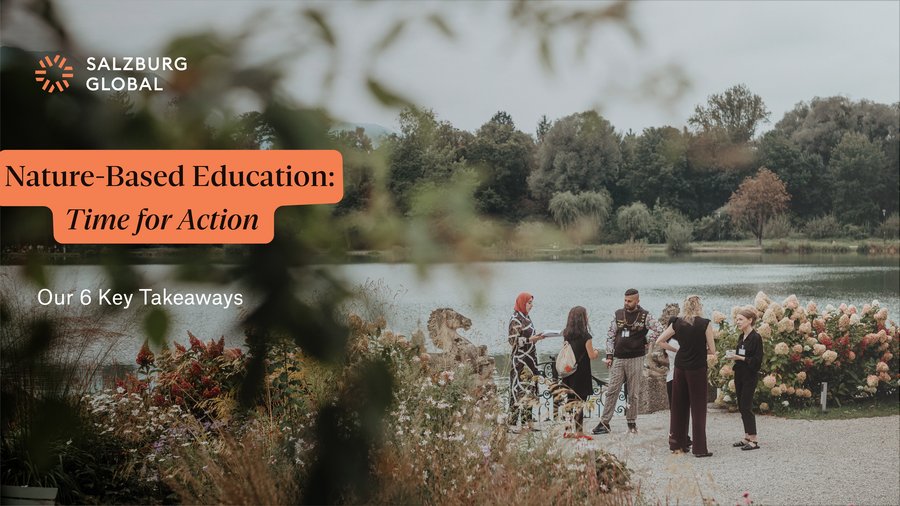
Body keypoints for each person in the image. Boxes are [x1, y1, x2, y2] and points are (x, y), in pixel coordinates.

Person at [593, 288, 664, 435]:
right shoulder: (618, 314)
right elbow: (610, 335)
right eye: (625, 300)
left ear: (637, 301)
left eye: (630, 301)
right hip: (618, 358)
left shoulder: (645, 316)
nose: (626, 303)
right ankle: (604, 423)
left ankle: (631, 422)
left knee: (633, 393)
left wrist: (648, 341)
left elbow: (659, 329)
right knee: (612, 390)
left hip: (636, 358)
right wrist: (609, 356)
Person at [656, 295, 716, 457]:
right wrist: (701, 350)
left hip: (680, 368)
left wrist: (678, 350)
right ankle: (699, 449)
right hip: (697, 368)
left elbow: (660, 341)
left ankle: (677, 444)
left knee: (678, 406)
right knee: (698, 408)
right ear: (699, 306)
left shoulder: (677, 322)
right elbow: (712, 350)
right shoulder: (705, 324)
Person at [560, 306, 600, 439]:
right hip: (581, 372)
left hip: (569, 371)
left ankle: (567, 430)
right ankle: (580, 432)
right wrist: (596, 353)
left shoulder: (566, 333)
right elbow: (591, 355)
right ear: (583, 318)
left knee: (569, 401)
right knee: (580, 402)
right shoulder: (586, 336)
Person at [726, 307, 764, 451]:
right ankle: (747, 436)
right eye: (737, 319)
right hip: (739, 375)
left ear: (750, 320)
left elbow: (757, 361)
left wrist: (739, 357)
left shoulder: (756, 337)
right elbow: (741, 356)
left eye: (741, 319)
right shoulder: (742, 336)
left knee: (746, 407)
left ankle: (754, 440)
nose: (737, 321)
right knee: (741, 406)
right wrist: (734, 357)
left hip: (749, 376)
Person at [507, 292, 545, 431]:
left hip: (530, 361)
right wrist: (530, 340)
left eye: (531, 303)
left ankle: (527, 423)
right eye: (529, 303)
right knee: (518, 390)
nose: (531, 306)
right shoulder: (515, 319)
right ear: (522, 303)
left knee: (529, 391)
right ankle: (511, 424)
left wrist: (537, 337)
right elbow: (512, 341)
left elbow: (528, 336)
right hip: (520, 362)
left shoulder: (526, 318)